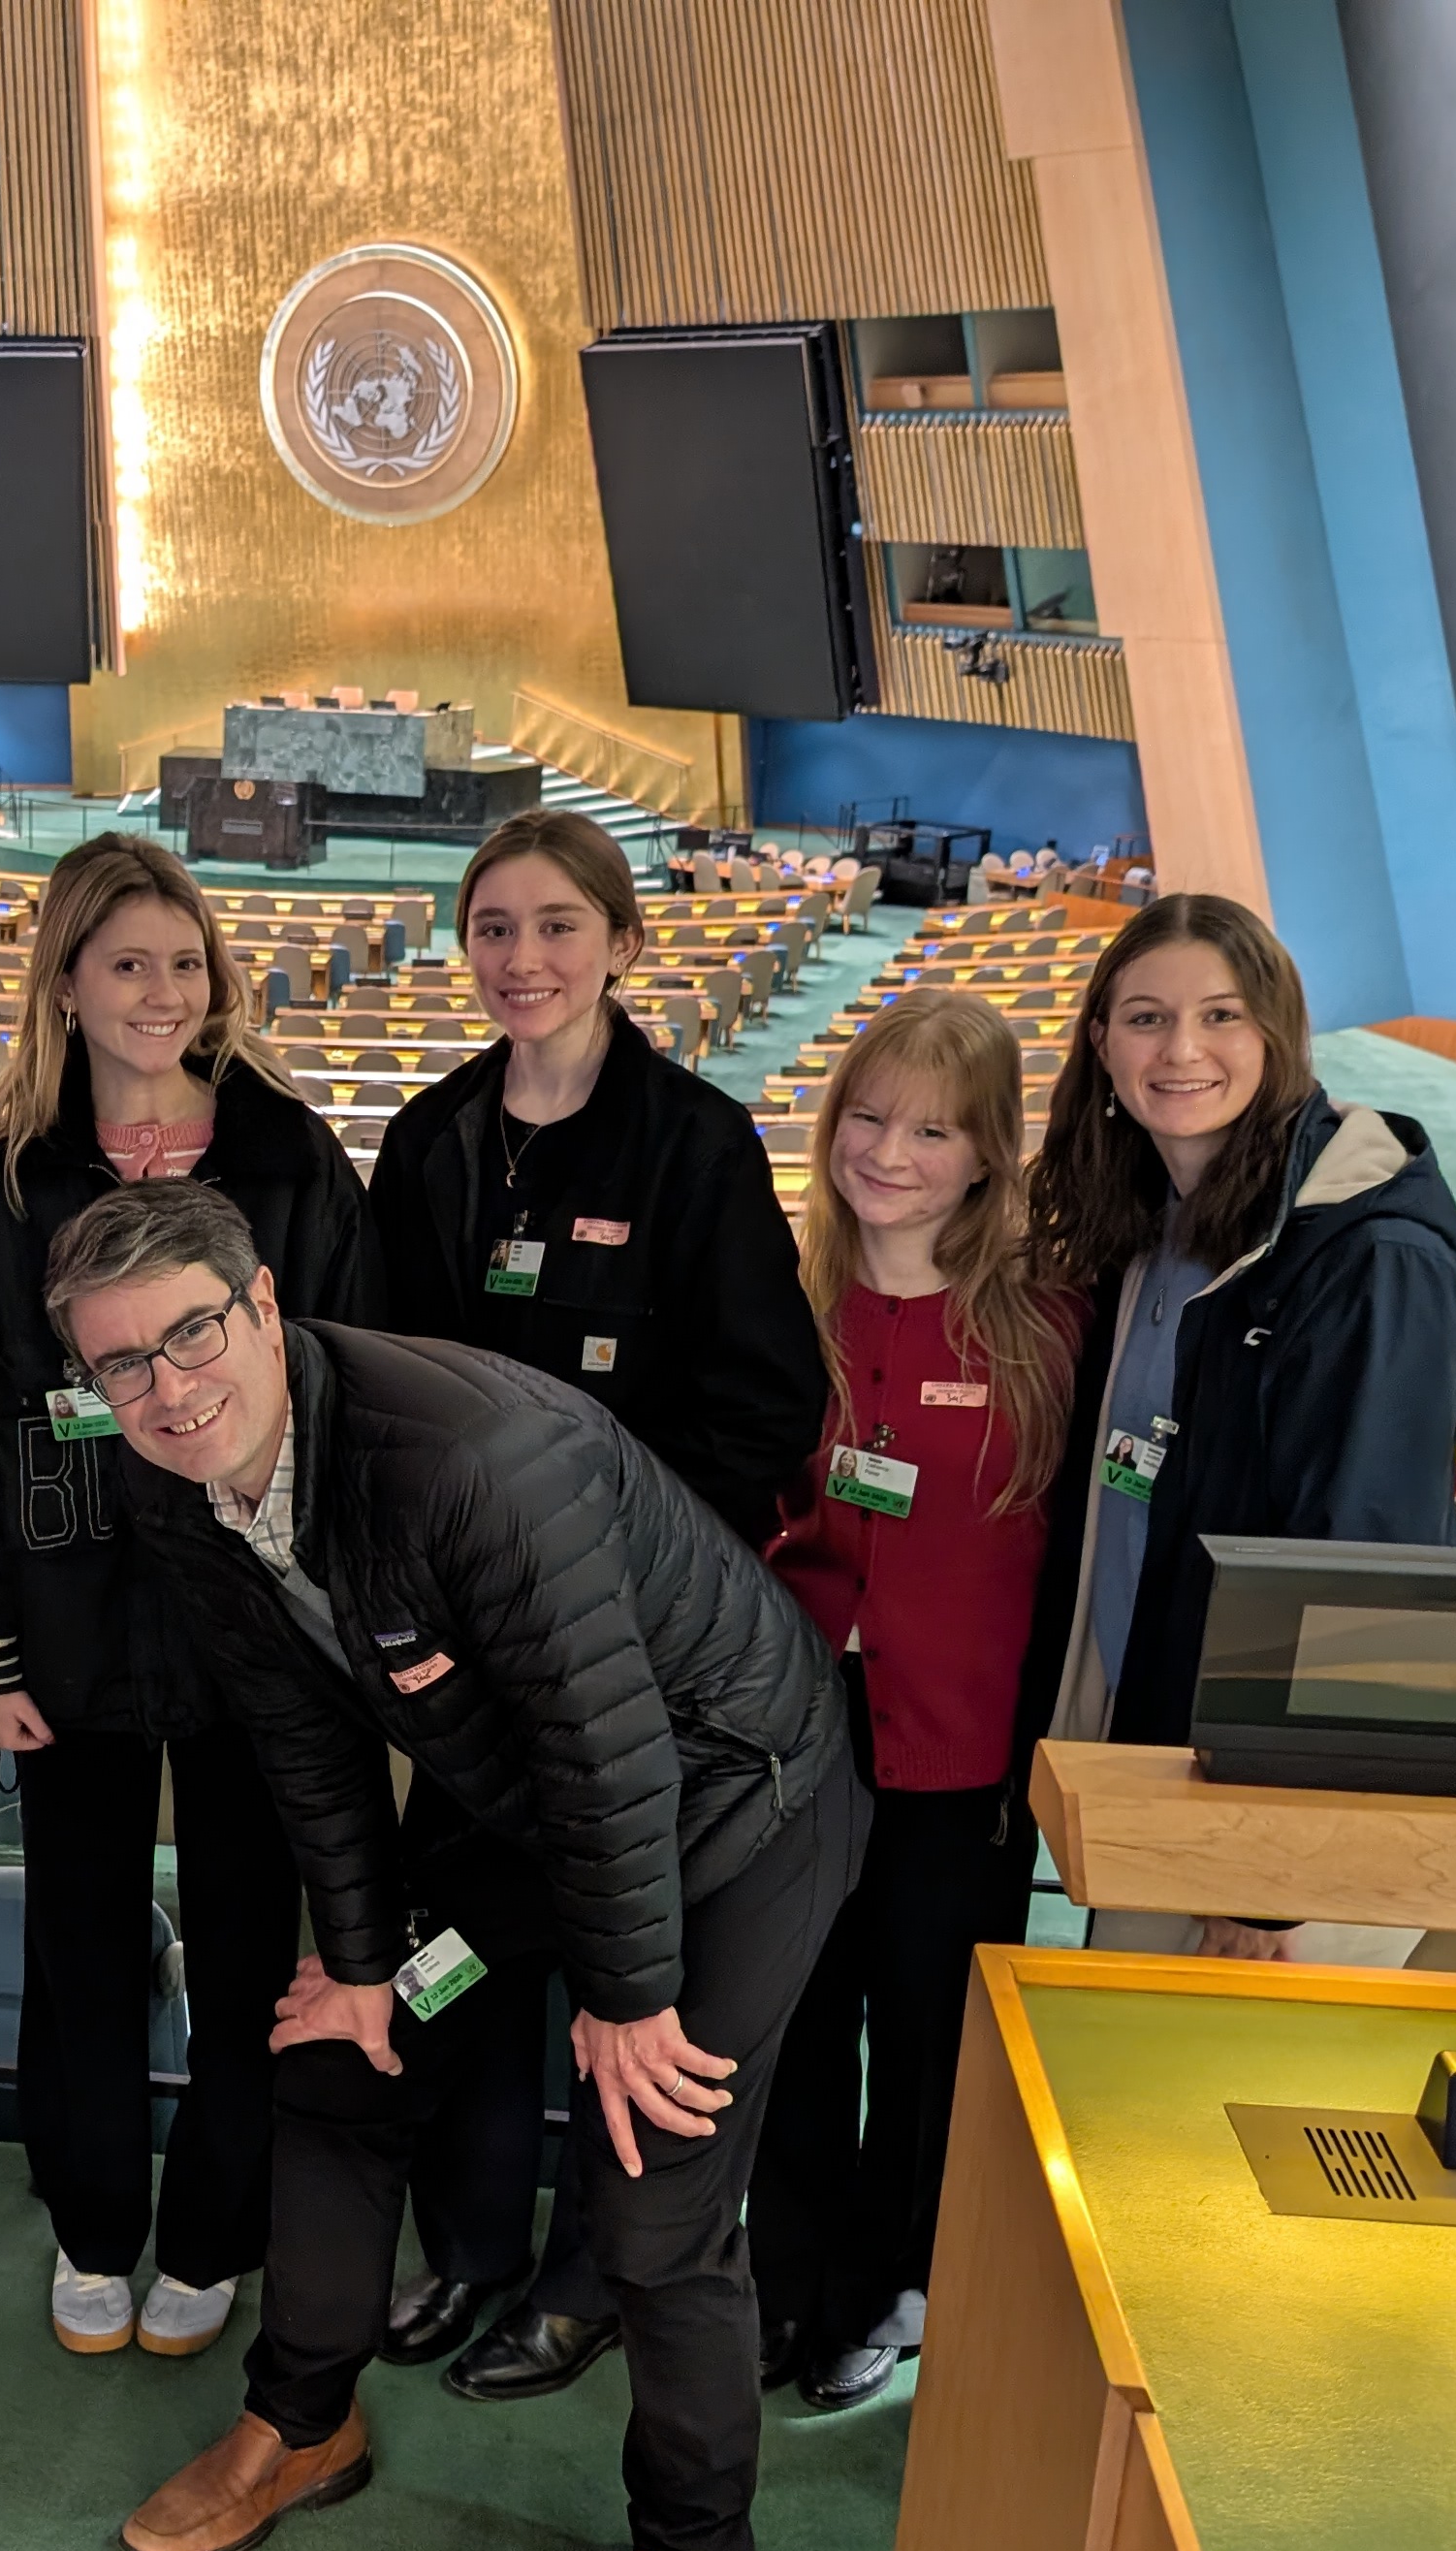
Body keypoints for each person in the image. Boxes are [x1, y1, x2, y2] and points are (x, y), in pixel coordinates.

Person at [65, 1180, 864, 2551]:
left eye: (192, 1334)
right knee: (339, 2053)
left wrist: (632, 1999)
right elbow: (305, 1732)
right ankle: (304, 2419)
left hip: (727, 1805)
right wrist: (365, 1960)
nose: (166, 1388)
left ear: (268, 1302)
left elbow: (617, 1748)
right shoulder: (174, 1483)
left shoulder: (473, 1458)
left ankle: (693, 2549)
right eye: (120, 1366)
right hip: (531, 1819)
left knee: (652, 2183)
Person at [365, 808, 826, 2403]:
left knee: (625, 1981)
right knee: (469, 1969)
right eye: (495, 928)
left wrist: (605, 1582)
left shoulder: (697, 1147)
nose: (525, 960)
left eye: (558, 926)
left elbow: (765, 1415)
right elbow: (385, 1395)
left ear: (624, 943)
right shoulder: (431, 1145)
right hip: (474, 1670)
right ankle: (478, 2245)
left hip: (639, 1677)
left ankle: (585, 2279)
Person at [0, 833, 374, 2362]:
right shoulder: (0, 1186)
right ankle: (96, 2218)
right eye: (128, 963)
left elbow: (343, 1384)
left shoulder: (292, 1160)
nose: (162, 993)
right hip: (67, 1624)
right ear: (65, 981)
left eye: (186, 964)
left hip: (259, 1620)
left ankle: (215, 2229)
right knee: (85, 1932)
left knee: (257, 1936)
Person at [1027, 892, 1456, 1956]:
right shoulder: (1148, 1238)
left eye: (1221, 1017)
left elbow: (1364, 1580)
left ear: (1279, 1036)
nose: (1182, 1049)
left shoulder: (1372, 1263)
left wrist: (1271, 1876)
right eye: (1145, 1018)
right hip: (1163, 1776)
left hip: (1278, 1843)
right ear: (1101, 1043)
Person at [747, 994, 1079, 2409]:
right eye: (870, 1116)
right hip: (797, 1747)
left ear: (988, 1153)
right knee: (800, 2024)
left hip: (963, 1758)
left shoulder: (1050, 1329)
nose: (889, 1151)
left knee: (930, 2041)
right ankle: (786, 2280)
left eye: (932, 1127)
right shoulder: (782, 1308)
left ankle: (890, 2285)